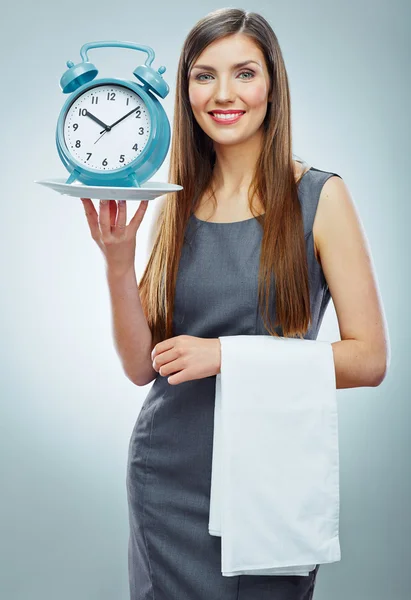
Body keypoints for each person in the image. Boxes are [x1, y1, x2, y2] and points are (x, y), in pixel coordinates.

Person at [81, 8, 389, 600]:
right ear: (186, 90)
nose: (223, 94)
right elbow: (142, 366)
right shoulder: (174, 198)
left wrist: (225, 355)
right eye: (204, 76)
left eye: (244, 73)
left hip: (272, 479)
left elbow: (369, 359)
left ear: (272, 85)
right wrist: (117, 264)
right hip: (168, 476)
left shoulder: (320, 197)